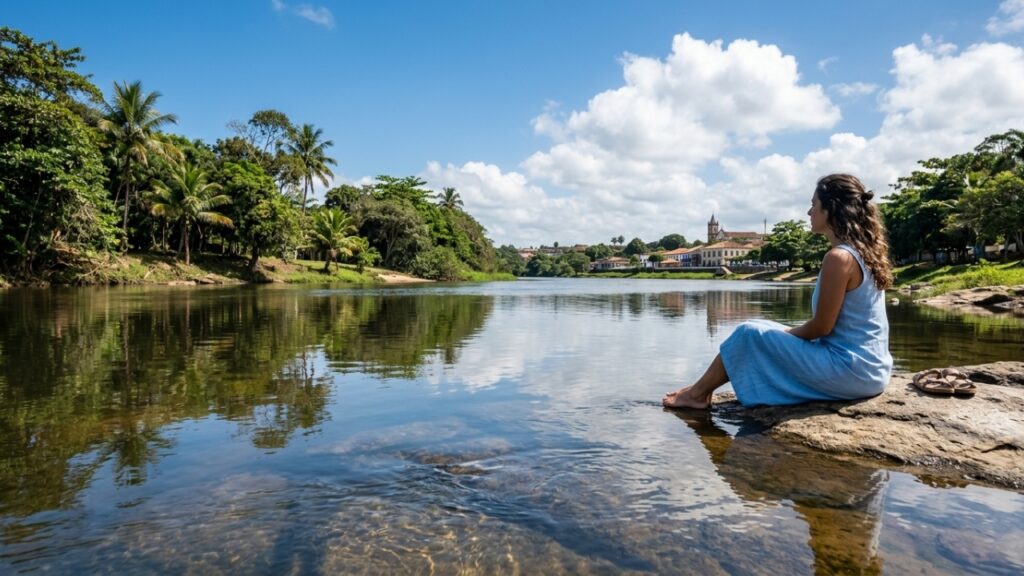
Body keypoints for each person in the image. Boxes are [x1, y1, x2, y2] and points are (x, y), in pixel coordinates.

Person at [663, 174, 894, 409]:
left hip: (852, 371)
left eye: (814, 205)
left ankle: (697, 395)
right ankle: (699, 392)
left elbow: (821, 328)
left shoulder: (839, 258)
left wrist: (778, 337)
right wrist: (776, 335)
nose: (809, 212)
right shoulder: (862, 252)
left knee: (748, 333)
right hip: (871, 368)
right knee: (757, 325)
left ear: (831, 210)